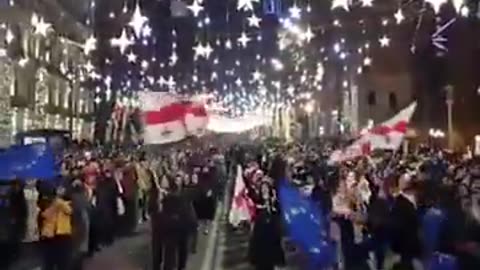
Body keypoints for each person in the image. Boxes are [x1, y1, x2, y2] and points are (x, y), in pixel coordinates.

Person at [248, 181, 285, 270]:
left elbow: (279, 215)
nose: (265, 191)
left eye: (266, 189)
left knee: (271, 263)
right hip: (260, 239)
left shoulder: (274, 203)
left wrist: (274, 203)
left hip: (272, 237)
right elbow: (253, 219)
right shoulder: (257, 203)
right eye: (263, 189)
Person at [40, 185, 73, 270]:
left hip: (63, 234)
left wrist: (59, 203)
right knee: (49, 260)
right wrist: (54, 206)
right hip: (49, 235)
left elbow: (69, 211)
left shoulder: (65, 202)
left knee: (62, 260)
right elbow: (44, 215)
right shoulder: (45, 203)